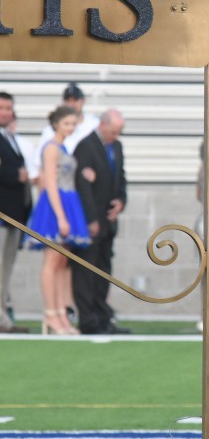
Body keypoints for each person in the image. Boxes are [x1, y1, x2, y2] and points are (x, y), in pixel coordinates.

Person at [26, 106, 91, 336]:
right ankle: (50, 314)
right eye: (66, 123)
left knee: (63, 263)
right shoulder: (51, 148)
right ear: (56, 124)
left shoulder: (63, 146)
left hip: (68, 201)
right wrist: (61, 216)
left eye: (73, 124)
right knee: (52, 262)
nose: (71, 128)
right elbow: (50, 184)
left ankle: (62, 313)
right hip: (56, 205)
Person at [72, 110, 128, 335]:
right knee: (86, 270)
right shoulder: (86, 146)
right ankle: (88, 320)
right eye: (113, 132)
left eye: (119, 132)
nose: (116, 136)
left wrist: (121, 201)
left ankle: (103, 317)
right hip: (91, 221)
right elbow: (81, 187)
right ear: (103, 125)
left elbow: (120, 177)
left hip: (109, 221)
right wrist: (90, 219)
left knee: (104, 269)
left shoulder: (117, 146)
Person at [0, 93, 32, 334]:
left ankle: (3, 318)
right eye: (2, 107)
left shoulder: (9, 138)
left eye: (9, 107)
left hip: (12, 215)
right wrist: (15, 176)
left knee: (6, 268)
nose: (6, 112)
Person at [37, 83, 99, 163]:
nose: (71, 104)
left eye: (75, 100)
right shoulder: (49, 132)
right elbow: (40, 163)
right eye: (68, 100)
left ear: (83, 101)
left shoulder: (94, 124)